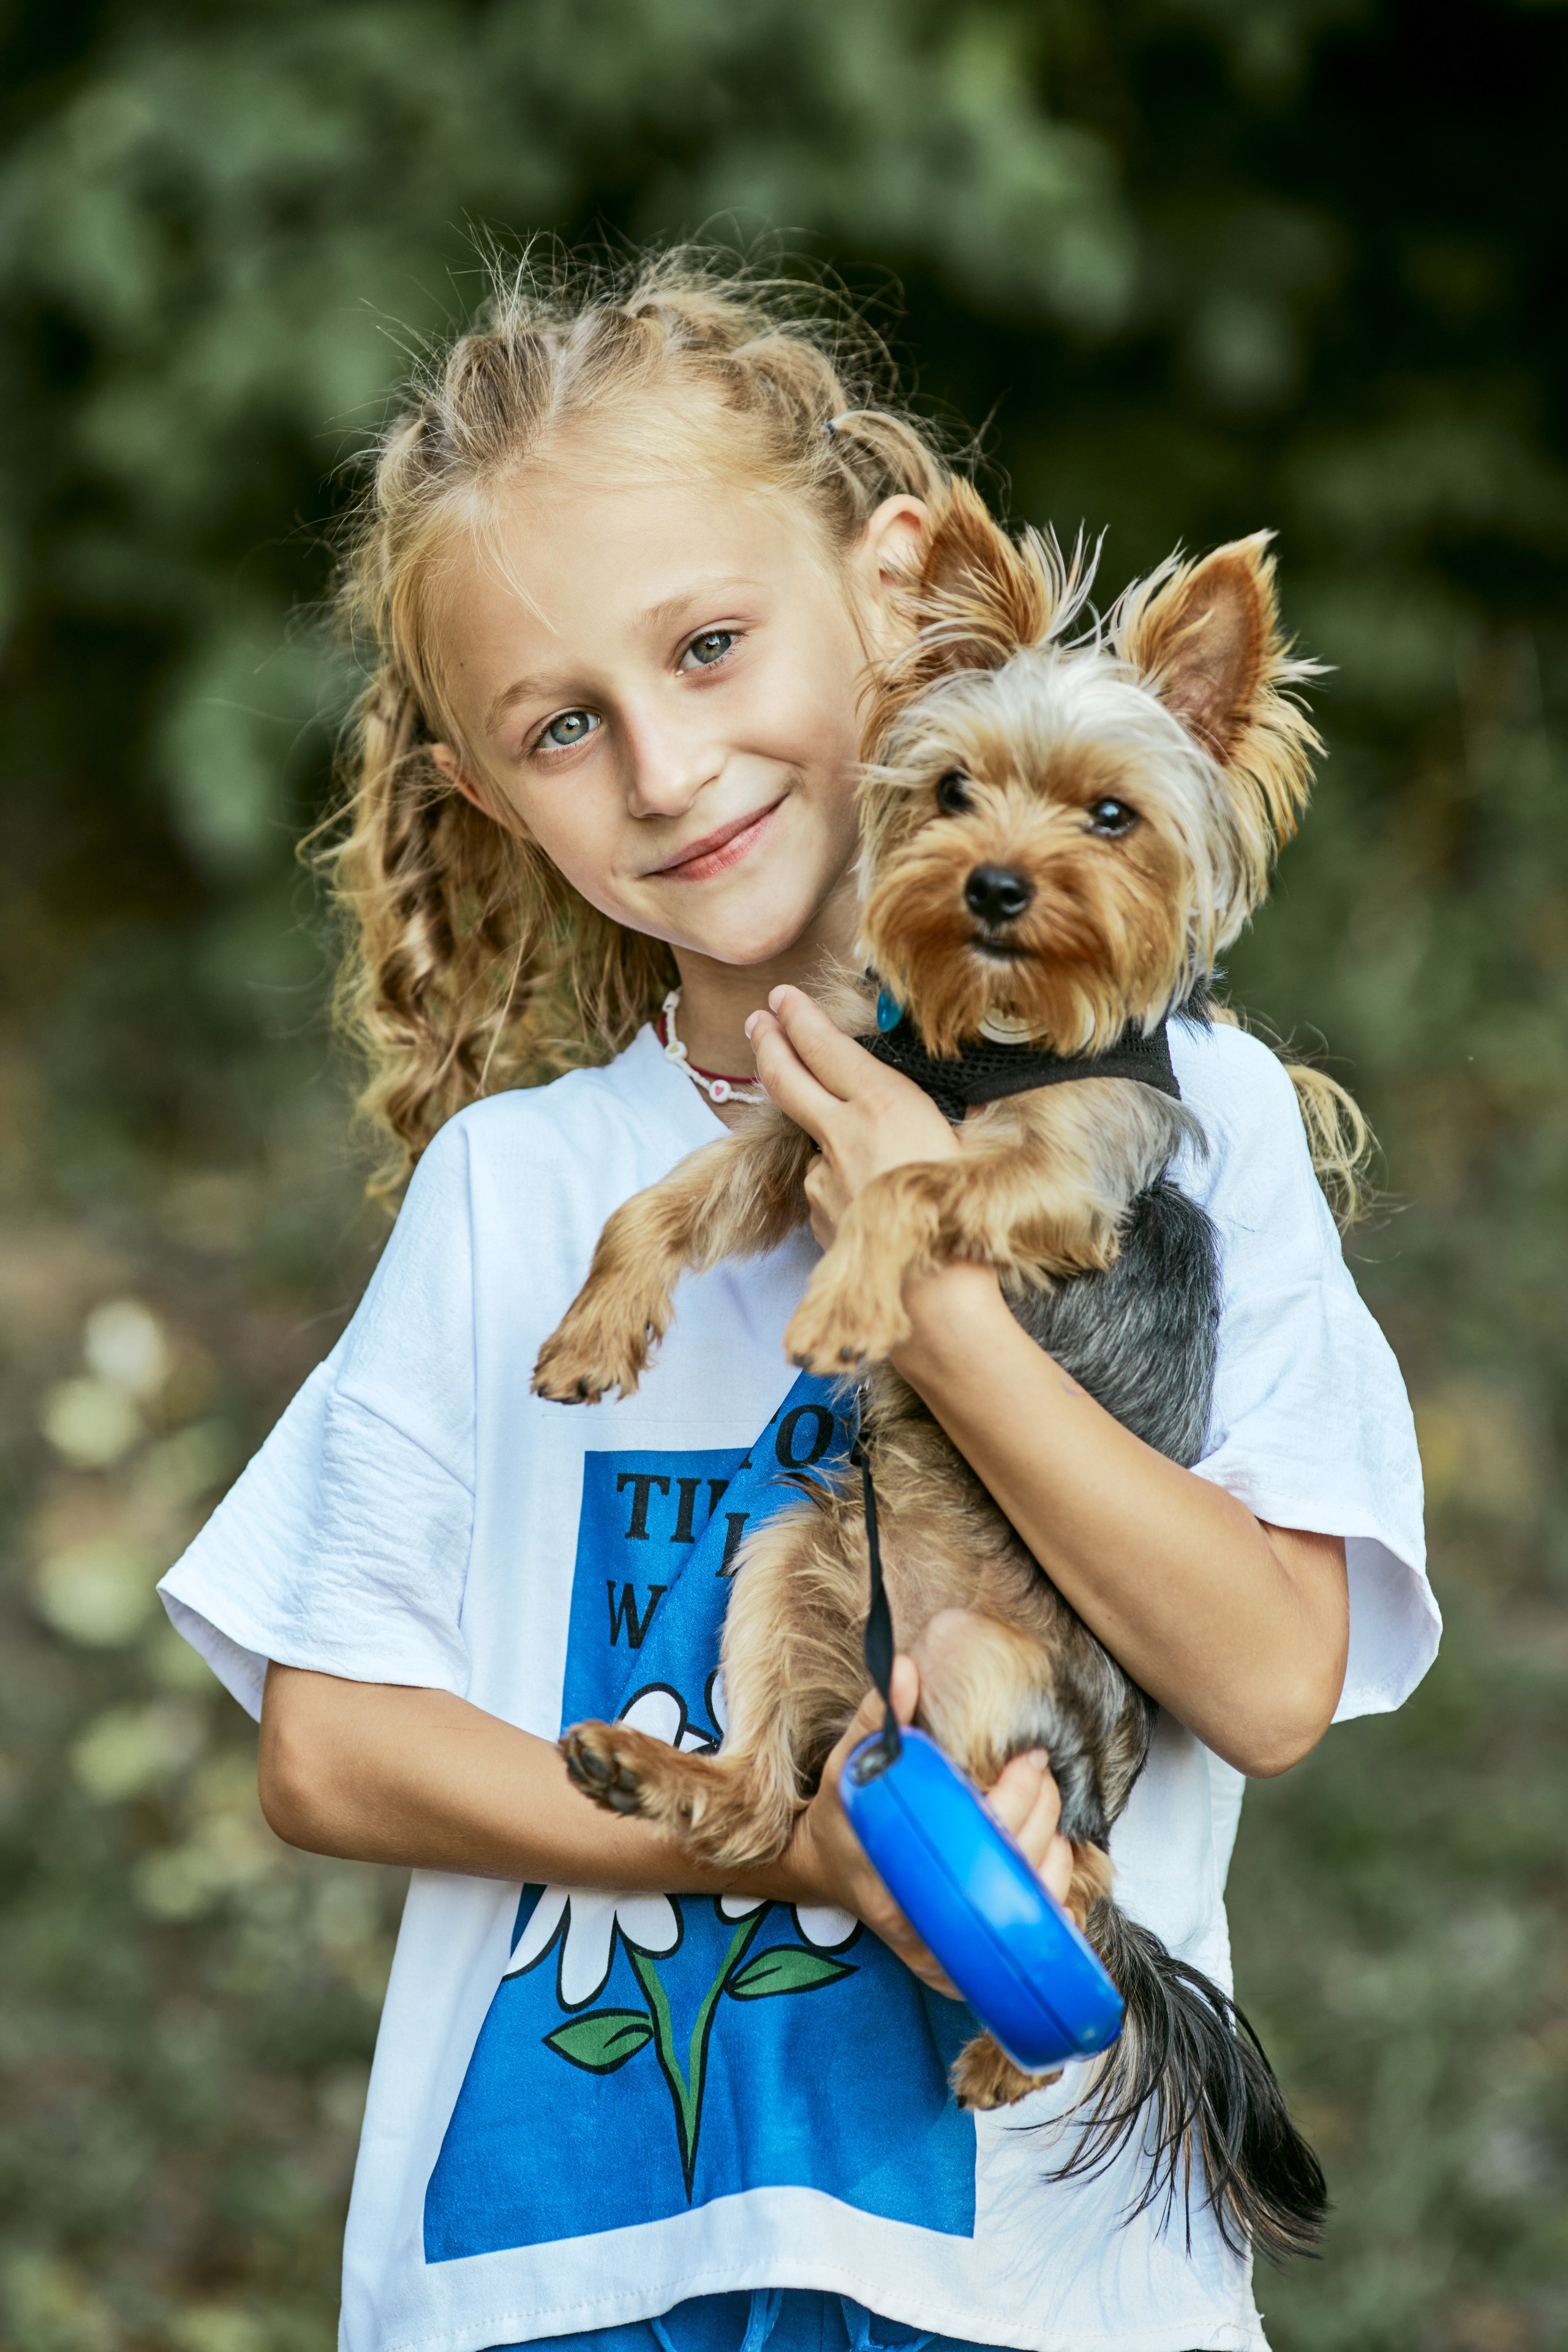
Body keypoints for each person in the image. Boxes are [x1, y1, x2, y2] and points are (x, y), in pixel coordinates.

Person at [158, 254, 1433, 2352]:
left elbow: (1279, 1683)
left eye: (715, 646)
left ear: (898, 600)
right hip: (552, 2273)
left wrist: (930, 1304)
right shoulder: (519, 1194)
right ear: (487, 793)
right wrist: (794, 1863)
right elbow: (327, 1751)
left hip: (1031, 2287)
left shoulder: (1192, 1124)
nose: (665, 771)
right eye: (565, 727)